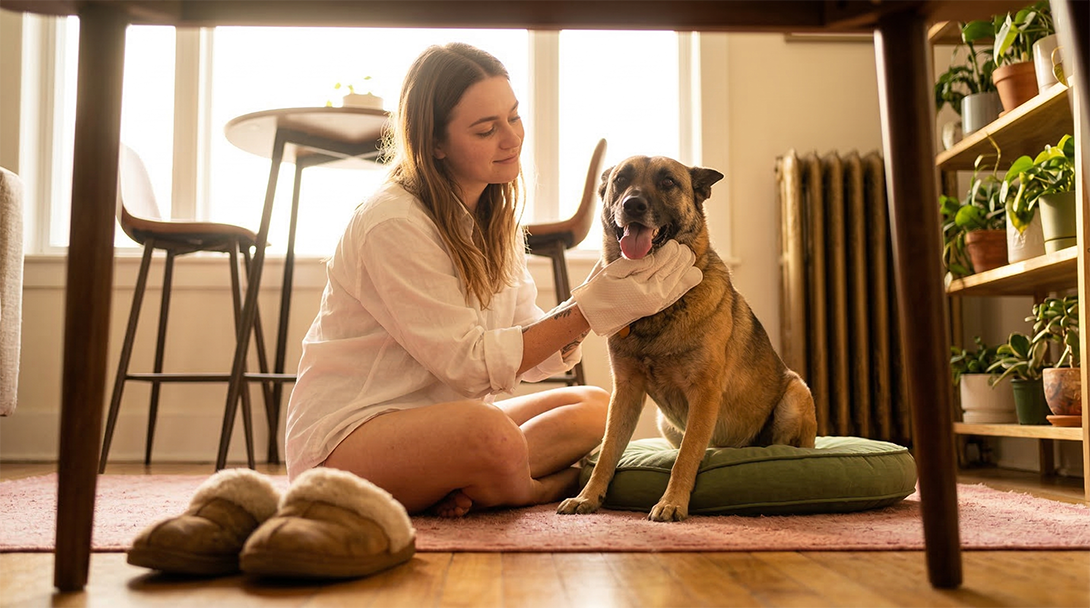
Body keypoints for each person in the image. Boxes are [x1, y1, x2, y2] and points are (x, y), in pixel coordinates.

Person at [284, 42, 701, 518]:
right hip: (347, 440)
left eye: (514, 117)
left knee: (593, 407)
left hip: (441, 425)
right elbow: (469, 366)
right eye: (486, 130)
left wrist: (602, 299)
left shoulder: (490, 217)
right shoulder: (392, 222)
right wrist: (593, 306)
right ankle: (523, 488)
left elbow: (528, 342)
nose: (511, 139)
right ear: (435, 144)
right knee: (490, 434)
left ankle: (468, 478)